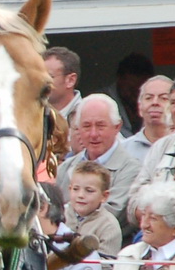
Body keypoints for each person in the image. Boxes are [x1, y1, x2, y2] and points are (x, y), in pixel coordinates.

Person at [57, 94, 141, 227]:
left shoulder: (132, 169)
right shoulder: (65, 168)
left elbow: (111, 214)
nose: (93, 134)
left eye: (100, 126)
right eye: (86, 126)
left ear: (117, 127)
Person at [63, 161, 122, 257]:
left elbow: (106, 265)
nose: (80, 195)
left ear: (104, 196)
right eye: (75, 189)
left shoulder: (109, 226)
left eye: (89, 191)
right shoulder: (59, 215)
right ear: (69, 189)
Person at [118, 75, 173, 168]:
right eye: (148, 98)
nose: (155, 102)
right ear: (140, 107)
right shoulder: (122, 151)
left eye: (164, 98)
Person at [42, 46, 82, 127]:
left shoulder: (89, 115)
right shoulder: (31, 115)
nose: (41, 82)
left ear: (71, 80)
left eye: (48, 77)